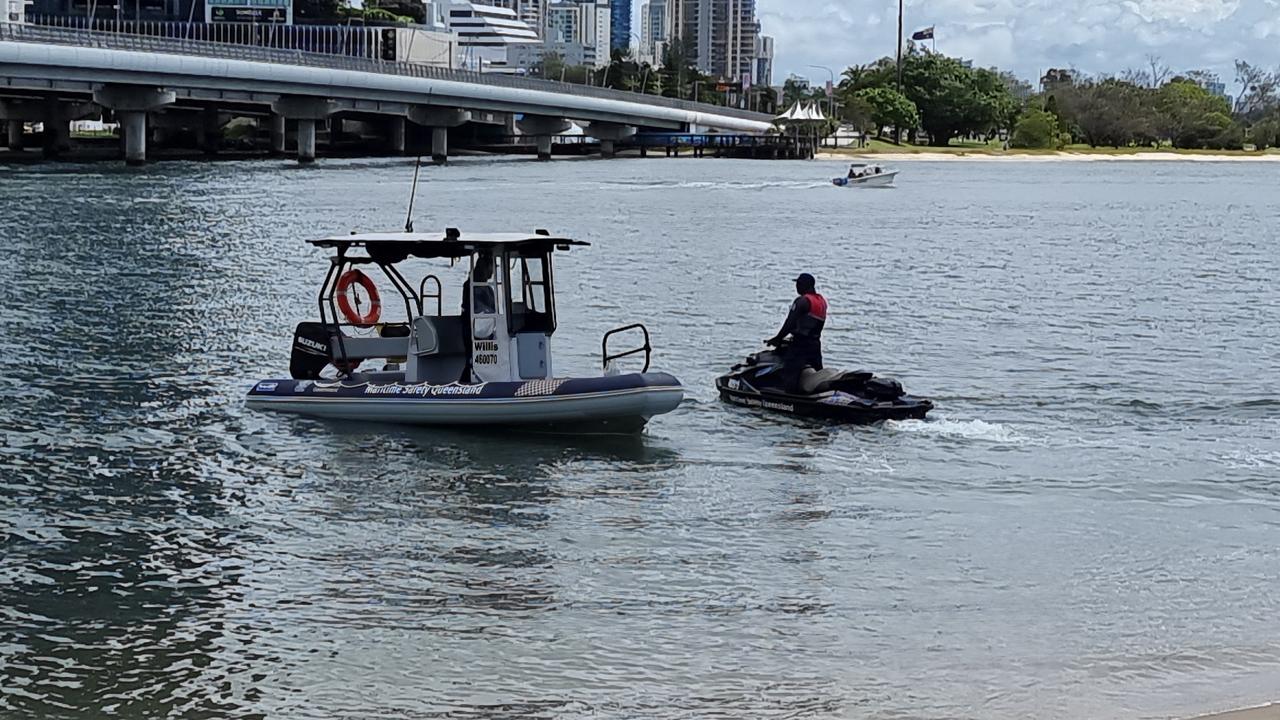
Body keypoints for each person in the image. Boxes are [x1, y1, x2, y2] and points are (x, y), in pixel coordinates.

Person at [765, 272, 828, 394]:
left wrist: (777, 339)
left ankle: (789, 401)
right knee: (819, 375)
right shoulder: (821, 302)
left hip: (800, 346)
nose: (797, 287)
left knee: (790, 374)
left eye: (798, 284)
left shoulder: (802, 301)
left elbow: (790, 323)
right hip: (815, 345)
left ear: (805, 285)